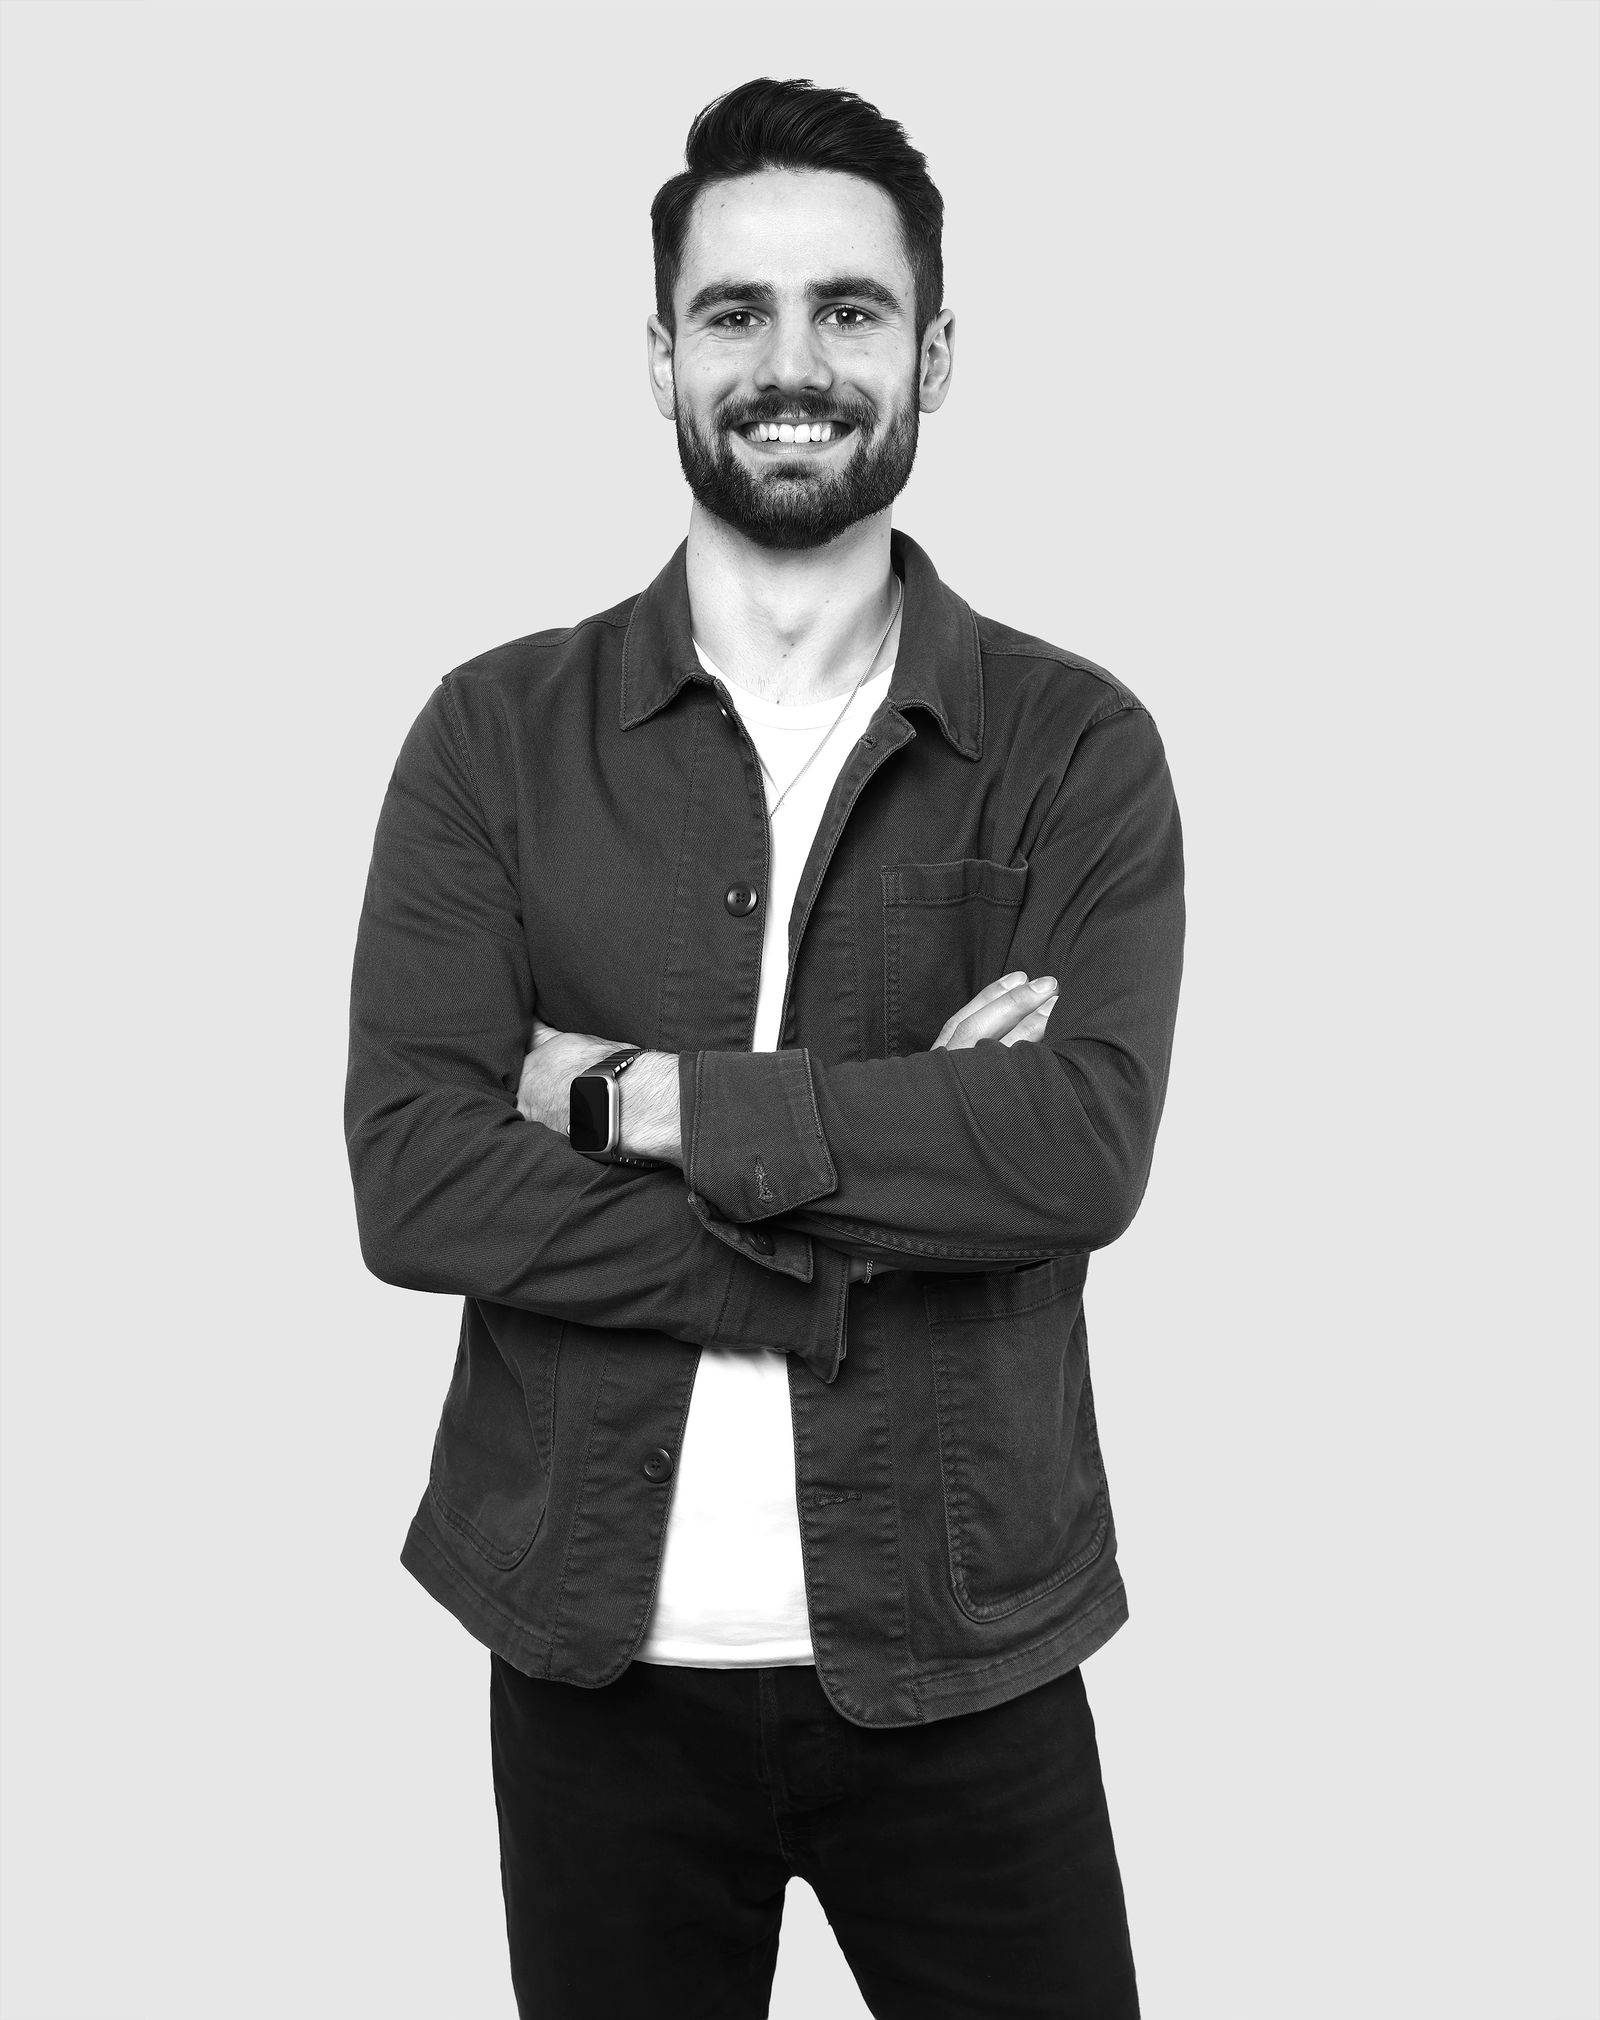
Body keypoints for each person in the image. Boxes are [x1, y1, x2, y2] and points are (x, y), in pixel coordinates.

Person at [346, 75, 1183, 2020]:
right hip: (592, 1660)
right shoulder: (491, 737)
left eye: (848, 310)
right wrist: (884, 1177)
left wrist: (630, 1102)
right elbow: (414, 1177)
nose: (790, 365)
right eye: (736, 312)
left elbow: (1074, 1151)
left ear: (933, 354)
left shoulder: (1074, 747)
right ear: (660, 356)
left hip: (964, 1642)